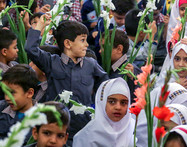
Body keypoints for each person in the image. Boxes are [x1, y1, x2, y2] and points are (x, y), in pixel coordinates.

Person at [25, 14, 108, 144]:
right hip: (56, 128)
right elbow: (30, 49)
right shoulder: (51, 62)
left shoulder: (91, 64)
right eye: (82, 40)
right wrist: (40, 26)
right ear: (68, 43)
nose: (87, 44)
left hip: (83, 128)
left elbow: (106, 87)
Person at [73, 78, 135, 147]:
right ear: (102, 103)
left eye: (123, 103)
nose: (118, 107)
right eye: (112, 102)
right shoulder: (87, 136)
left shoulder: (134, 129)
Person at [100, 29, 142, 102]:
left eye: (104, 47)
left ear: (119, 49)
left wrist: (132, 80)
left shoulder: (131, 72)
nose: (100, 51)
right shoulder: (107, 68)